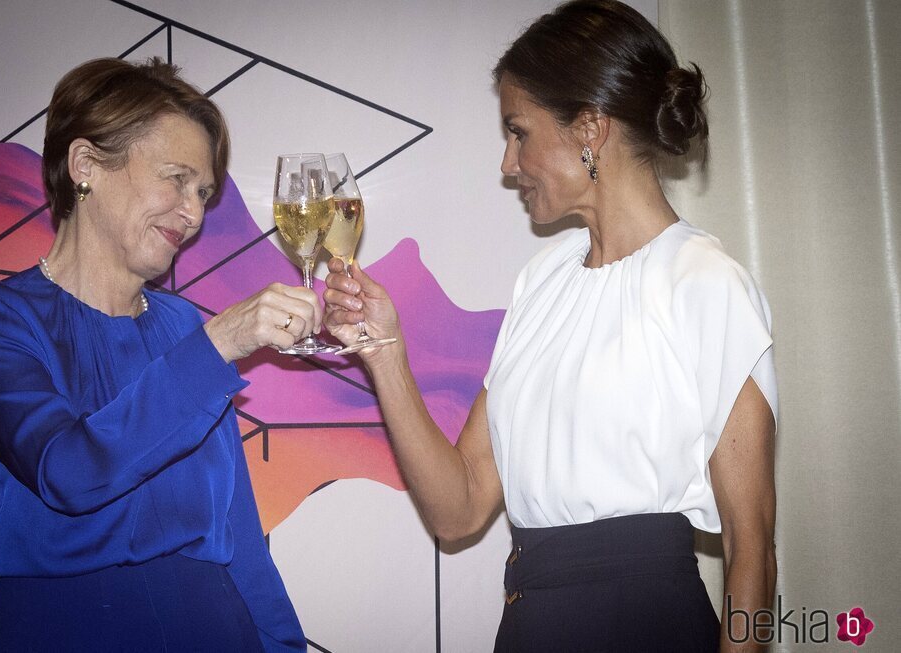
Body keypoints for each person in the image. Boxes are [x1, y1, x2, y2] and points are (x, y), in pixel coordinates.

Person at [324, 1, 777, 650]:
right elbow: (460, 509)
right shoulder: (541, 283)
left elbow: (752, 548)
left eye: (519, 132)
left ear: (589, 128)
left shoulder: (706, 283)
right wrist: (385, 354)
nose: (507, 164)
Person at [0, 57, 315, 652]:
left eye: (203, 192)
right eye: (176, 178)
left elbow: (238, 534)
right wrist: (220, 343)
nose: (194, 213)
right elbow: (69, 473)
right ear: (86, 165)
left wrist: (283, 647)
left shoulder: (182, 327)